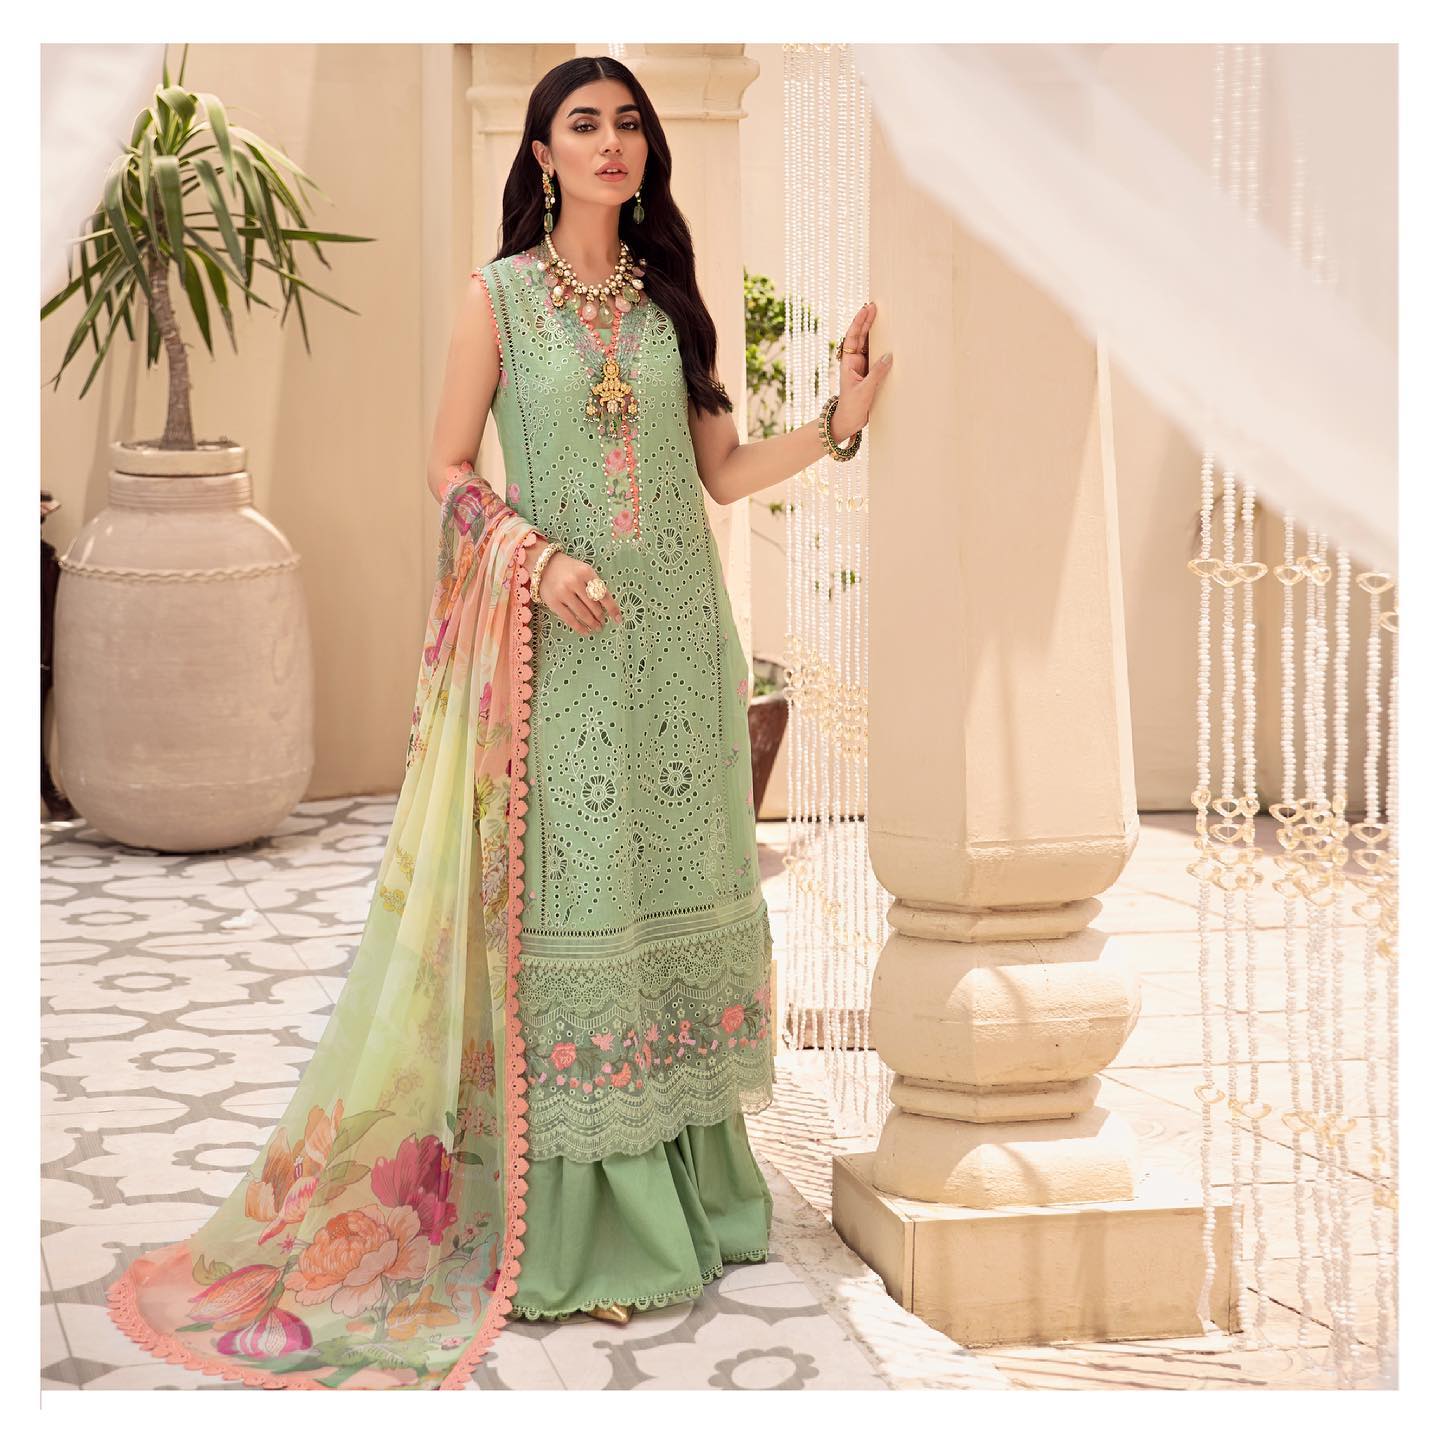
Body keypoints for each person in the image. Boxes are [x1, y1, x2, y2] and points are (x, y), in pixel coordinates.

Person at [105, 53, 892, 1391]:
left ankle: (697, 1200)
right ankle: (581, 1229)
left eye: (628, 123)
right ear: (541, 154)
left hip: (678, 652)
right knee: (579, 909)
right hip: (560, 649)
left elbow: (719, 471)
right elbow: (445, 466)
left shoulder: (671, 302)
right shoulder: (502, 298)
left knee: (675, 898)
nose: (612, 141)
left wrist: (838, 420)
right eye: (583, 124)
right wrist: (537, 559)